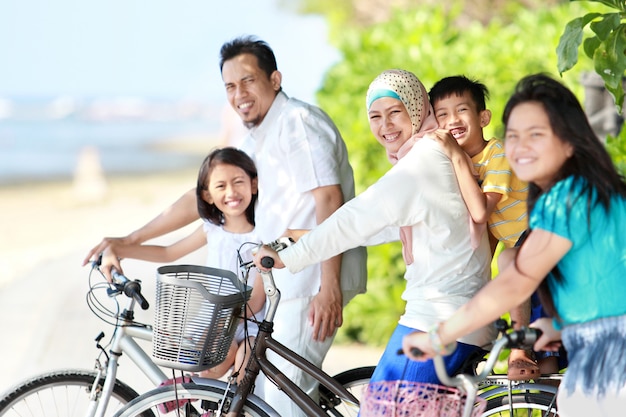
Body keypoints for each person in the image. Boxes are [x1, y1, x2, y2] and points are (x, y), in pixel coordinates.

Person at [83, 35, 367, 417]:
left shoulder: (296, 123)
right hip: (278, 289)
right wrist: (129, 239)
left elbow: (329, 201)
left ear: (275, 79)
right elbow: (202, 196)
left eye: (248, 80)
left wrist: (329, 287)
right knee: (263, 403)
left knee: (284, 408)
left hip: (309, 285)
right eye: (230, 86)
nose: (239, 94)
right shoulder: (258, 137)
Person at [253, 69, 496, 388]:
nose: (386, 125)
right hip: (459, 313)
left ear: (418, 108)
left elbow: (358, 217)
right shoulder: (435, 153)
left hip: (440, 318)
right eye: (375, 116)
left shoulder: (423, 160)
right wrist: (298, 238)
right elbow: (382, 226)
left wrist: (294, 255)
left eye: (396, 112)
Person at [402, 73, 626, 417]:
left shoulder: (569, 200)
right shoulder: (585, 193)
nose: (520, 147)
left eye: (536, 134)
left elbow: (515, 282)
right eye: (514, 135)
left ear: (569, 141)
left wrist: (437, 336)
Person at [99, 147, 264, 383]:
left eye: (238, 182)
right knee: (209, 366)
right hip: (214, 319)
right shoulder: (213, 229)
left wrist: (222, 325)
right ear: (207, 196)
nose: (231, 192)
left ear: (254, 185)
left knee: (244, 366)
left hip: (249, 321)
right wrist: (118, 249)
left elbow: (256, 301)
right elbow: (168, 252)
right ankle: (196, 396)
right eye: (220, 186)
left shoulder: (262, 236)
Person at [427, 75, 544, 380]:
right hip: (515, 237)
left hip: (539, 228)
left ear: (483, 117)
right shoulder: (459, 161)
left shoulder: (497, 154)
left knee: (509, 264)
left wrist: (454, 156)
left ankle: (520, 347)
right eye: (442, 114)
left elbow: (484, 212)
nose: (452, 119)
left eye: (461, 110)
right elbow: (488, 231)